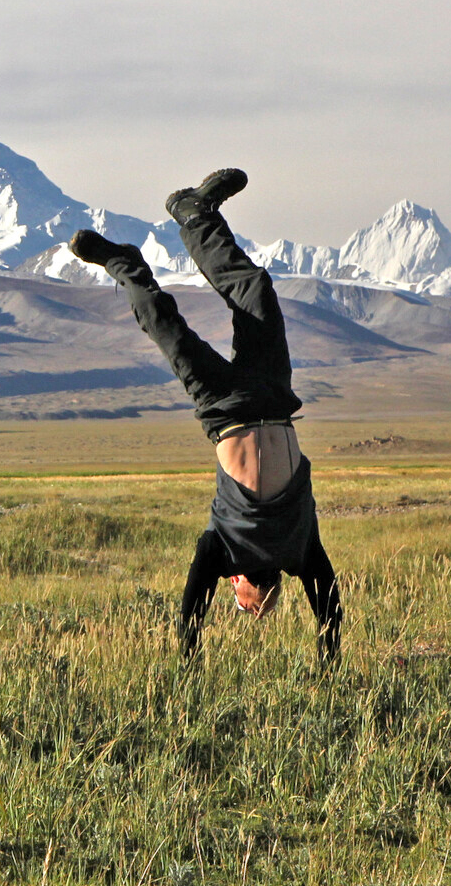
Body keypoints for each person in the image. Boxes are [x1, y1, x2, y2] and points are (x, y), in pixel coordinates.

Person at [68, 169, 342, 662]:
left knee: (162, 324)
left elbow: (193, 603)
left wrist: (189, 664)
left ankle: (124, 263)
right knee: (256, 290)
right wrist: (329, 665)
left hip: (223, 408)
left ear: (235, 587)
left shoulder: (224, 551)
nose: (250, 608)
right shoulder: (299, 550)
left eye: (240, 607)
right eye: (252, 609)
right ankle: (195, 215)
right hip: (274, 394)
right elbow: (329, 604)